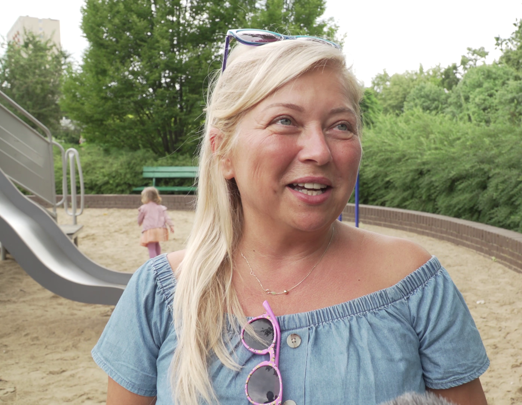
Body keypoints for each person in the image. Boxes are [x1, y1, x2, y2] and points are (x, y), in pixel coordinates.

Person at [93, 29, 490, 405]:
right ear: (223, 151)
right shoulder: (161, 294)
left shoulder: (414, 282)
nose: (319, 151)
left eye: (341, 126)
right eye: (285, 121)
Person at [138, 186, 174, 258]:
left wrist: (139, 222)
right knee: (157, 244)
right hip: (160, 229)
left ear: (146, 197)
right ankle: (158, 259)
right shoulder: (161, 207)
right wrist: (171, 225)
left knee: (151, 247)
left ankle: (154, 262)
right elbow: (167, 217)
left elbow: (140, 218)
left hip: (150, 230)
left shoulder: (144, 207)